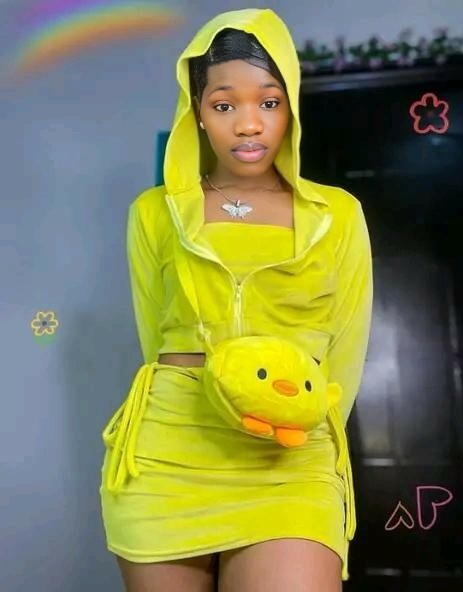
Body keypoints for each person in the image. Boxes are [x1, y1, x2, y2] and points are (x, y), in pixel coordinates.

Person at [99, 7, 373, 592]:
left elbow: (347, 353)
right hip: (171, 454)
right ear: (197, 113)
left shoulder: (338, 214)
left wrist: (300, 423)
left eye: (269, 102)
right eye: (224, 106)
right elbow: (155, 338)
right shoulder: (155, 213)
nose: (249, 125)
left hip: (288, 457)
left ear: (290, 107)